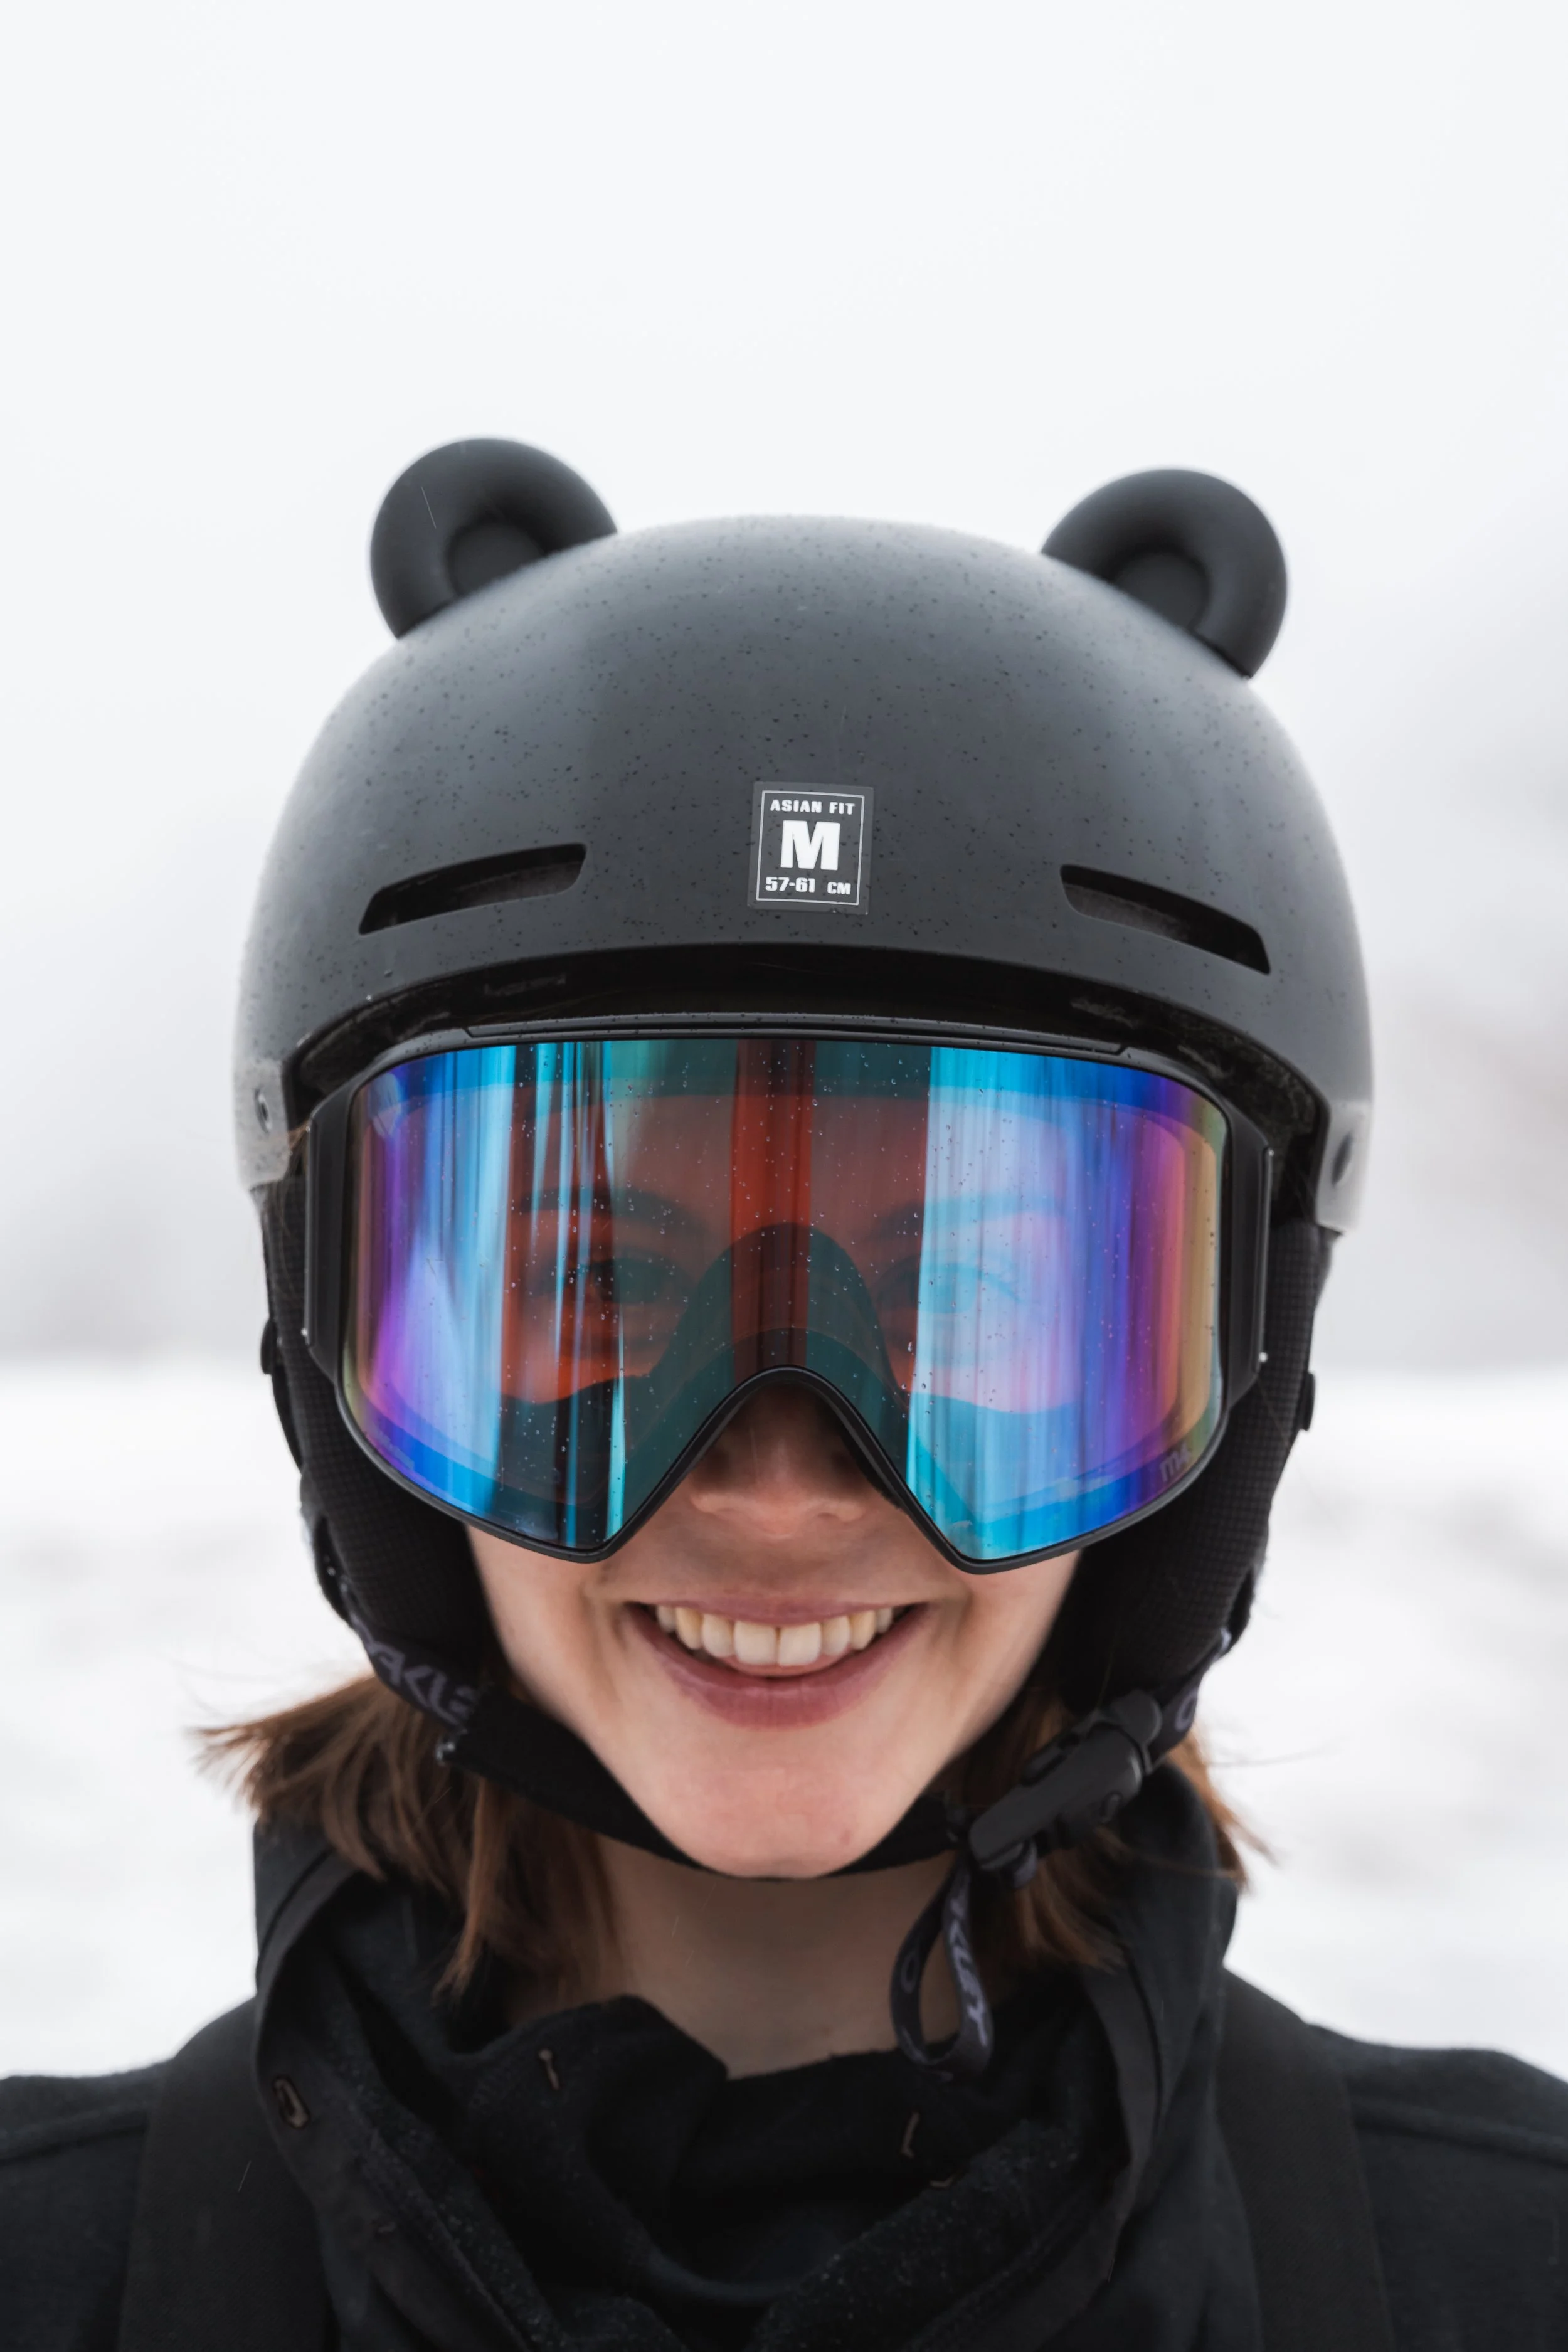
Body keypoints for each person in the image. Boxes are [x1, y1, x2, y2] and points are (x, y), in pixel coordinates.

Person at [4, 443, 1565, 2352]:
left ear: (1227, 1376)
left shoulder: (1496, 2276)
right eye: (595, 1284)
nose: (773, 1477)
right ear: (345, 1355)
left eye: (971, 1295)